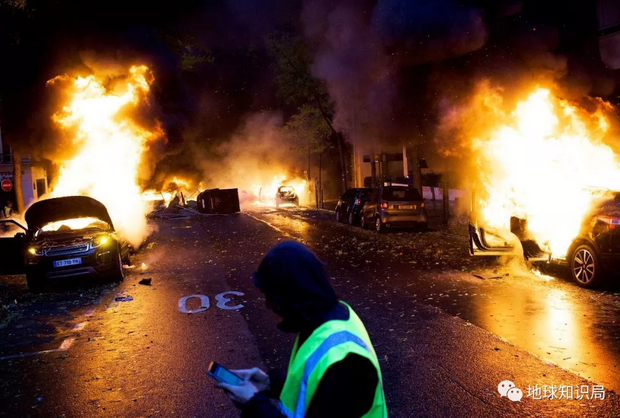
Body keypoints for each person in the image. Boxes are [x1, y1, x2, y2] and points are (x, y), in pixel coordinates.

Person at [217, 241, 387, 418]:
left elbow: (331, 392)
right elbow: (319, 395)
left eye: (271, 296)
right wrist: (270, 384)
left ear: (293, 295)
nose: (268, 305)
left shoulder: (344, 363)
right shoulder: (332, 316)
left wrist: (253, 404)